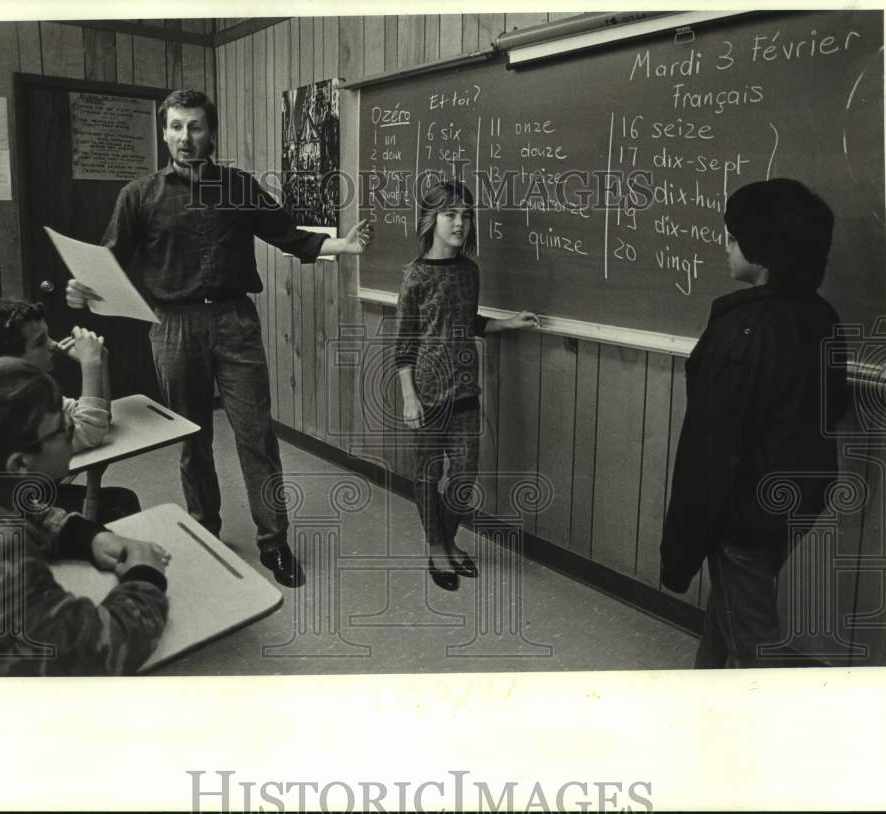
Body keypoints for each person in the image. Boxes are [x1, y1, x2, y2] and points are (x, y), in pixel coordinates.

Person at [65, 89, 372, 588]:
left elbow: (288, 235)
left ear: (211, 132)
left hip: (235, 323)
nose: (186, 138)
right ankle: (204, 528)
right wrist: (83, 289)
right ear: (163, 132)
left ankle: (275, 542)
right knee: (192, 438)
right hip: (173, 326)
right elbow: (109, 261)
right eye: (176, 127)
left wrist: (344, 244)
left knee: (257, 436)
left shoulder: (239, 186)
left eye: (196, 127)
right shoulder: (138, 195)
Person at [660, 178, 849, 668]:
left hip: (744, 512)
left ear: (761, 252)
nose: (726, 246)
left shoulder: (743, 329)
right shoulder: (821, 315)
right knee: (731, 608)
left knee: (754, 643)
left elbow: (710, 442)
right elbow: (834, 409)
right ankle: (702, 691)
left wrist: (684, 542)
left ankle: (759, 736)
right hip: (798, 500)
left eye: (733, 237)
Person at [0, 357, 170, 676]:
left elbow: (16, 506)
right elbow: (95, 652)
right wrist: (145, 577)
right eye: (62, 426)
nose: (72, 428)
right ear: (20, 465)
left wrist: (86, 536)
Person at [394, 179, 539, 591]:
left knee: (463, 475)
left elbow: (465, 321)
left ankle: (448, 538)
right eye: (450, 214)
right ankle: (437, 548)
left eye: (466, 216)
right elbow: (404, 344)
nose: (460, 223)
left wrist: (507, 323)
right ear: (431, 219)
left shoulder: (469, 272)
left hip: (465, 390)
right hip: (426, 392)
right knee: (428, 473)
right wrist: (409, 396)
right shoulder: (416, 276)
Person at [0, 297, 141, 523]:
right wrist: (90, 366)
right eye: (39, 342)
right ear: (5, 362)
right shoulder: (3, 408)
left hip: (26, 497)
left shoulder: (27, 391)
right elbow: (91, 430)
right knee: (120, 504)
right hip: (8, 513)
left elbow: (99, 417)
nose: (53, 345)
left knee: (120, 500)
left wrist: (100, 361)